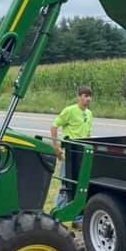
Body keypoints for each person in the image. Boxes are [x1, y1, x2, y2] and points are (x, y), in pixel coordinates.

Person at [50, 85, 93, 224]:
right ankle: (59, 213)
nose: (88, 99)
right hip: (70, 152)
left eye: (90, 96)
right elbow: (54, 126)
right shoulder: (70, 111)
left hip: (81, 153)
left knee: (79, 184)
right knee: (66, 183)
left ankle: (77, 215)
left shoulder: (89, 114)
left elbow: (88, 134)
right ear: (79, 97)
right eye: (85, 96)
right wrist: (56, 147)